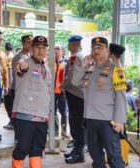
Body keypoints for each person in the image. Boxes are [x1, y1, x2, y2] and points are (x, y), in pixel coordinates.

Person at [72, 37, 127, 168]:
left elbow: (121, 96)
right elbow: (74, 82)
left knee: (114, 156)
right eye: (94, 48)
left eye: (100, 48)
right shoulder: (89, 68)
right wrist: (83, 65)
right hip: (90, 119)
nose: (96, 51)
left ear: (107, 50)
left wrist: (120, 120)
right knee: (95, 154)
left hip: (108, 120)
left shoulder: (116, 70)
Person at [11, 36, 52, 168]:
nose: (41, 51)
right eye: (37, 48)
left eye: (43, 48)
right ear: (32, 48)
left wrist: (48, 114)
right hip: (25, 116)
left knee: (37, 149)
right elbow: (21, 65)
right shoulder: (25, 62)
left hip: (42, 117)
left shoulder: (47, 69)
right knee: (22, 148)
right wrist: (22, 65)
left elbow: (47, 94)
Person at [60, 35, 86, 164]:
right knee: (77, 124)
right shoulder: (82, 56)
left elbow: (71, 77)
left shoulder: (76, 57)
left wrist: (62, 86)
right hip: (79, 95)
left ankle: (79, 153)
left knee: (76, 125)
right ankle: (77, 150)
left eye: (69, 44)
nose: (68, 46)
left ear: (73, 45)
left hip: (76, 95)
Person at [109, 43, 131, 166]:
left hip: (117, 108)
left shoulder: (118, 69)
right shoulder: (111, 67)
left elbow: (120, 94)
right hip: (111, 107)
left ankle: (124, 159)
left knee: (121, 134)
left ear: (112, 55)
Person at [54, 43, 69, 139]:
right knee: (52, 111)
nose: (56, 51)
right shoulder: (50, 61)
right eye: (55, 49)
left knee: (63, 111)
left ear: (62, 51)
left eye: (58, 49)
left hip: (61, 91)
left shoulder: (66, 63)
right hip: (52, 91)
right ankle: (54, 130)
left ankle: (63, 131)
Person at [3, 42, 15, 130]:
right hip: (12, 85)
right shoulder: (14, 56)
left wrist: (8, 86)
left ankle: (12, 122)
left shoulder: (7, 58)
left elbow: (9, 73)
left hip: (9, 86)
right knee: (11, 105)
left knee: (9, 105)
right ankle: (12, 121)